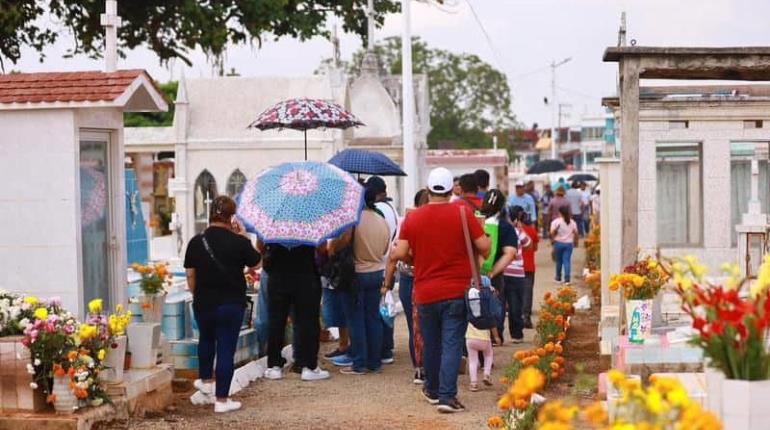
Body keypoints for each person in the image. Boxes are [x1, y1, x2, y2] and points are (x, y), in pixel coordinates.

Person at [392, 167, 491, 413]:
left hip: (424, 291)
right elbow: (485, 249)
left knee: (431, 342)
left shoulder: (413, 218)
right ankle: (447, 396)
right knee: (451, 343)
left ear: (428, 190)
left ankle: (433, 389)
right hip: (456, 291)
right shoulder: (463, 213)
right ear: (451, 191)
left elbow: (401, 253)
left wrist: (420, 259)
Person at [184, 196, 261, 413]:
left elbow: (190, 275)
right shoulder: (239, 242)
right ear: (231, 217)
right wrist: (244, 236)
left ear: (211, 214)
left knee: (206, 340)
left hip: (204, 302)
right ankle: (222, 400)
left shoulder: (196, 241)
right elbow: (257, 263)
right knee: (226, 349)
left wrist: (197, 294)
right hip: (231, 303)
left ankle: (206, 381)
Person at [332, 183, 391, 375]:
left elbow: (341, 244)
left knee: (355, 319)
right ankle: (374, 361)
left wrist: (333, 245)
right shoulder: (381, 219)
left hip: (356, 273)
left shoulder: (353, 221)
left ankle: (359, 362)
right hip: (376, 272)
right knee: (372, 318)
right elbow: (384, 250)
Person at [262, 239, 329, 381]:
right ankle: (308, 366)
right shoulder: (310, 220)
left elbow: (260, 246)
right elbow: (322, 248)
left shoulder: (274, 221)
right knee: (308, 321)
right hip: (305, 275)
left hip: (277, 275)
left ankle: (274, 366)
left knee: (276, 321)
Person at [383, 189, 430, 384]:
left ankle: (419, 368)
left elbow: (394, 255)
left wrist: (387, 283)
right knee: (426, 326)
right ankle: (426, 366)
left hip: (408, 278)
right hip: (423, 277)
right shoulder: (428, 223)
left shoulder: (407, 223)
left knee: (415, 327)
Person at [366, 176, 400, 364]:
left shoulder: (379, 211)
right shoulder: (391, 209)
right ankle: (387, 347)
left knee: (377, 310)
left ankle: (382, 350)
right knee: (385, 306)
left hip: (379, 263)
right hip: (388, 262)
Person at [479, 189, 517, 345]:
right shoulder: (505, 226)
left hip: (470, 274)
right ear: (502, 206)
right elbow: (510, 253)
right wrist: (493, 272)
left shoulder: (475, 220)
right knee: (494, 307)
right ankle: (496, 337)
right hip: (493, 276)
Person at [502, 206, 532, 343]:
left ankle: (497, 335)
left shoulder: (502, 230)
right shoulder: (518, 232)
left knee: (500, 306)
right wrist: (520, 229)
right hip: (517, 274)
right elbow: (529, 244)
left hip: (502, 271)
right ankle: (516, 334)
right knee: (515, 305)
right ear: (516, 220)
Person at [550, 206, 578, 285]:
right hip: (569, 244)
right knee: (567, 261)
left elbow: (552, 233)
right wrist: (576, 242)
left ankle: (558, 277)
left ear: (560, 213)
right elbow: (576, 233)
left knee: (559, 261)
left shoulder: (556, 222)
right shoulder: (572, 222)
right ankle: (567, 279)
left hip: (558, 243)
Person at [521, 211, 539, 329]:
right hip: (529, 266)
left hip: (516, 266)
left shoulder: (515, 230)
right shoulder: (531, 230)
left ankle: (517, 316)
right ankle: (526, 316)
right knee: (528, 292)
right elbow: (535, 248)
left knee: (516, 293)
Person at [465, 323, 493, 392]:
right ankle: (486, 374)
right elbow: (493, 324)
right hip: (485, 338)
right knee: (488, 355)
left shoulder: (470, 313)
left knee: (472, 361)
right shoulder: (486, 313)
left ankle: (473, 383)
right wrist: (497, 337)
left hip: (470, 338)